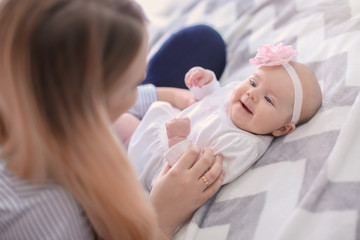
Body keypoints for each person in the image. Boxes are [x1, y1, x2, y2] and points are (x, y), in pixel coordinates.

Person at [0, 0, 224, 239]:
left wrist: (167, 94)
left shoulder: (32, 102)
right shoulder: (48, 212)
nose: (137, 89)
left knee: (203, 43)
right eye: (131, 85)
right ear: (85, 106)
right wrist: (162, 219)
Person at [127, 43, 322, 190]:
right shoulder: (240, 98)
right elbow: (215, 95)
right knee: (125, 125)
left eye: (269, 100)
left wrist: (177, 140)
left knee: (121, 143)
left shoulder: (242, 144)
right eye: (253, 83)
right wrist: (206, 82)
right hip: (150, 137)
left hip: (158, 169)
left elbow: (196, 176)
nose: (252, 93)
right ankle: (118, 100)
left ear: (281, 129)